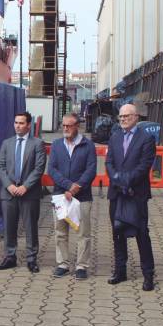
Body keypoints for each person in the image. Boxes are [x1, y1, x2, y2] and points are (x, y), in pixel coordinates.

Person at [105, 103, 156, 291]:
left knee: (142, 234)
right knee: (117, 233)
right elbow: (109, 162)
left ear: (136, 117)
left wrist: (126, 180)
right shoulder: (115, 137)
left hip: (136, 194)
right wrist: (117, 179)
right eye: (121, 117)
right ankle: (120, 271)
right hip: (117, 193)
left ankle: (148, 274)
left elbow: (145, 165)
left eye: (127, 116)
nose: (123, 119)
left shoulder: (147, 138)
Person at [47, 113, 97, 280]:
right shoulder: (56, 145)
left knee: (83, 233)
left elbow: (91, 170)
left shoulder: (88, 145)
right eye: (63, 126)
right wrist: (68, 186)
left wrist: (76, 187)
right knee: (60, 232)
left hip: (82, 196)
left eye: (69, 126)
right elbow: (52, 169)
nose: (65, 129)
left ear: (77, 126)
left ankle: (81, 265)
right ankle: (62, 263)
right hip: (61, 196)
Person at [0, 112, 46, 272]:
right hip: (8, 192)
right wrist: (9, 185)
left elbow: (39, 168)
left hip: (29, 193)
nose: (18, 126)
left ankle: (31, 259)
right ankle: (10, 256)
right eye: (16, 122)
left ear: (29, 125)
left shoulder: (37, 144)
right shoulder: (6, 143)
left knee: (30, 226)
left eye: (21, 123)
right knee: (9, 226)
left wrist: (25, 186)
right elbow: (1, 166)